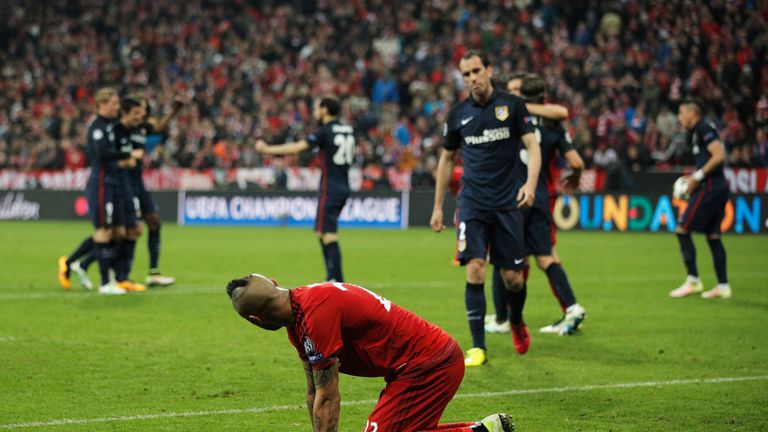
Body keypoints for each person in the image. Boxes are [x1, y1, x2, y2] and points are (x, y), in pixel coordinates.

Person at [226, 273, 515, 432]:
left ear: (257, 320)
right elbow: (314, 392)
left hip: (429, 365)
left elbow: (328, 397)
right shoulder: (298, 318)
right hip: (416, 367)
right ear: (275, 283)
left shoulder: (315, 315)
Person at [430, 52, 541, 367]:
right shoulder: (458, 114)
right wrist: (438, 206)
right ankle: (478, 347)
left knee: (513, 279)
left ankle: (516, 320)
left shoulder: (513, 106)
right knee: (475, 269)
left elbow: (533, 147)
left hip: (507, 203)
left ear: (489, 70)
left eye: (476, 71)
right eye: (465, 74)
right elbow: (446, 159)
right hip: (472, 203)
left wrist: (530, 185)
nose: (471, 78)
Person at [485, 74, 587, 338]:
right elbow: (576, 162)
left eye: (516, 90)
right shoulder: (555, 123)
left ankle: (502, 319)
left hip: (513, 196)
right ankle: (572, 307)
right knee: (545, 256)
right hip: (541, 196)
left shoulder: (509, 117)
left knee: (502, 258)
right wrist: (574, 176)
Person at [255, 98, 353, 283]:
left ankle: (336, 279)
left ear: (324, 109)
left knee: (329, 234)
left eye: (317, 108)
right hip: (343, 185)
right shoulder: (348, 130)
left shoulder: (325, 131)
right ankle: (332, 277)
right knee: (322, 233)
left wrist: (267, 149)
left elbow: (297, 147)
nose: (315, 112)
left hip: (330, 188)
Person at [58, 88, 120, 292]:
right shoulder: (97, 126)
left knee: (109, 232)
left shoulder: (111, 125)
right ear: (102, 104)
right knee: (103, 232)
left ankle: (74, 264)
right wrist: (125, 153)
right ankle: (104, 282)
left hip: (111, 182)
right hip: (101, 182)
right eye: (114, 103)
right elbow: (100, 153)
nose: (117, 107)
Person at [670, 99, 731, 299]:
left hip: (711, 187)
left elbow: (719, 155)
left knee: (682, 229)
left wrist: (697, 177)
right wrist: (695, 175)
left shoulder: (703, 127)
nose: (680, 118)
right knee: (713, 237)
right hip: (718, 185)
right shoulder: (700, 130)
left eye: (681, 114)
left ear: (692, 113)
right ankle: (723, 286)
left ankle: (693, 280)